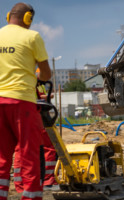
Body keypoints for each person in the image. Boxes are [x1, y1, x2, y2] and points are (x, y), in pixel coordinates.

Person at [0, 2, 51, 200]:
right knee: (29, 156)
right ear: (28, 18)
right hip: (22, 102)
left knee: (2, 158)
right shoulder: (32, 37)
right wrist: (40, 78)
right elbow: (45, 73)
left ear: (8, 16)